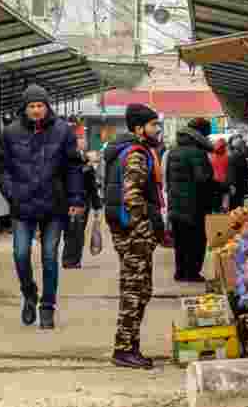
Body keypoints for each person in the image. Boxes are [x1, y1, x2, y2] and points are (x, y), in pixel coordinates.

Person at [0, 84, 85, 330]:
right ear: (24, 109)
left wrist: (76, 199)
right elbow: (1, 169)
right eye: (31, 106)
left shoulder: (63, 131)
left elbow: (73, 167)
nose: (36, 110)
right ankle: (29, 293)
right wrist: (11, 193)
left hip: (54, 204)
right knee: (20, 254)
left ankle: (47, 306)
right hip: (22, 204)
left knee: (49, 257)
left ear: (47, 107)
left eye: (40, 105)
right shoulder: (10, 133)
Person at [103, 103, 166, 369]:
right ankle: (124, 348)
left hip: (128, 229)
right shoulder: (137, 154)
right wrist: (145, 228)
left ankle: (130, 345)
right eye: (154, 125)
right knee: (134, 290)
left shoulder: (132, 150)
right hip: (134, 232)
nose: (157, 130)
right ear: (140, 129)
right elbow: (132, 195)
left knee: (141, 289)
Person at [166, 118, 217, 283]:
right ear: (201, 134)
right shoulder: (197, 152)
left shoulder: (173, 151)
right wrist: (220, 187)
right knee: (196, 240)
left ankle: (180, 272)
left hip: (176, 203)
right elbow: (203, 179)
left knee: (180, 241)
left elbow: (168, 179)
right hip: (194, 205)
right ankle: (192, 273)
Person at [62, 150, 103, 269]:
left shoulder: (66, 165)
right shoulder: (86, 169)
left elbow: (92, 188)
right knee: (77, 232)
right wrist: (97, 206)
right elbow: (92, 188)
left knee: (70, 231)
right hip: (81, 203)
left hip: (69, 202)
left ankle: (69, 258)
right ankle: (72, 260)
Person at [227, 134, 248, 207]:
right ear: (240, 146)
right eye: (243, 144)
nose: (245, 146)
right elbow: (240, 170)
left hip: (237, 185)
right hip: (238, 185)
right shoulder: (238, 156)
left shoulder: (233, 155)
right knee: (236, 204)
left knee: (235, 204)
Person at [210, 137, 230, 210]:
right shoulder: (227, 156)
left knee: (216, 200)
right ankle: (223, 211)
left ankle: (216, 214)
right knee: (225, 200)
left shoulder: (212, 155)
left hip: (214, 181)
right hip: (225, 181)